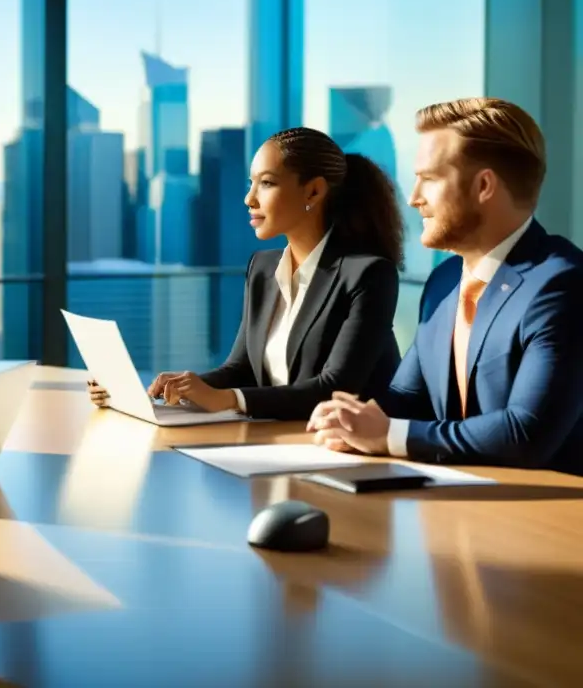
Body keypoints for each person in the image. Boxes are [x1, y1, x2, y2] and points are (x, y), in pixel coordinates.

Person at [308, 97, 583, 475]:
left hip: (549, 518)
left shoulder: (562, 285)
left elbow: (527, 433)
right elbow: (407, 397)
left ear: (484, 185)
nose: (413, 197)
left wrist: (390, 435)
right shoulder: (444, 281)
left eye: (430, 178)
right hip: (457, 508)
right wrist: (352, 419)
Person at [88, 126, 405, 421]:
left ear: (313, 192)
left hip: (352, 454)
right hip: (277, 438)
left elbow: (334, 389)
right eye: (250, 183)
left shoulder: (369, 274)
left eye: (266, 183)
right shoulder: (263, 268)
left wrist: (229, 400)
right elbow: (240, 369)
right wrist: (172, 388)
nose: (249, 199)